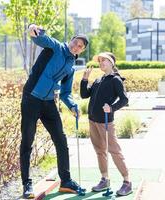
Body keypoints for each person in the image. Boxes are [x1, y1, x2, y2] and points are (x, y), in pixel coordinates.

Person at [20, 23, 88, 199]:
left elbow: (66, 93)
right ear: (71, 40)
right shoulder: (56, 46)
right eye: (75, 42)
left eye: (80, 46)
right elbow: (40, 38)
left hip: (49, 102)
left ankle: (66, 181)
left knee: (61, 140)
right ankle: (27, 184)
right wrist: (33, 28)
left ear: (81, 50)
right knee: (27, 140)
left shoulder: (71, 67)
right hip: (32, 98)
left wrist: (72, 106)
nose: (76, 46)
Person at [80, 52, 132, 196]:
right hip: (93, 120)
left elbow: (124, 99)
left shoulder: (115, 80)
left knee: (114, 151)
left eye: (104, 60)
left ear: (111, 63)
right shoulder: (98, 79)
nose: (101, 63)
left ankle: (127, 182)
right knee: (100, 151)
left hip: (106, 122)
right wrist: (85, 79)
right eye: (100, 61)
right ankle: (105, 179)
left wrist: (112, 108)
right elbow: (84, 95)